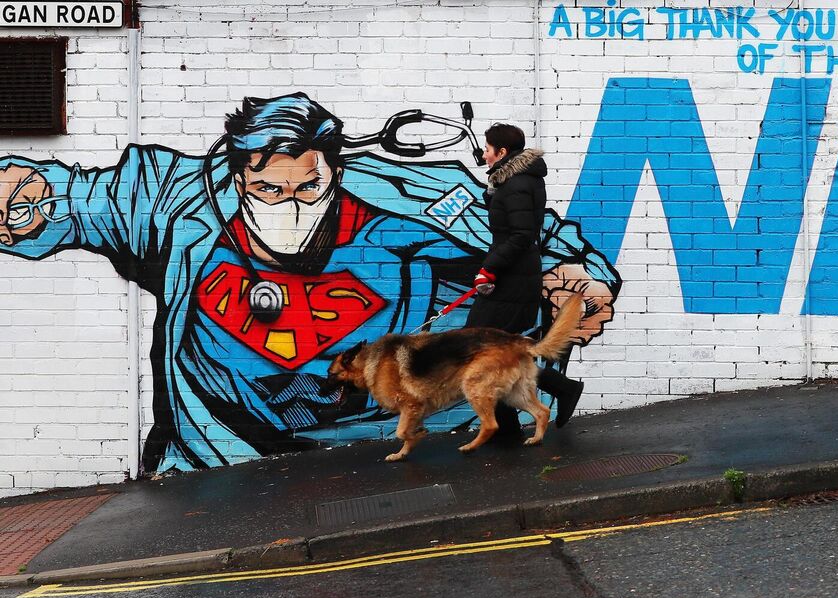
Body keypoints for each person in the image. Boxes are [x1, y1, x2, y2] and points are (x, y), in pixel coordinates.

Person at [0, 93, 619, 472]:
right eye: (268, 188)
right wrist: (26, 192)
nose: (288, 202)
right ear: (238, 176)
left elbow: (530, 234)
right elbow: (81, 194)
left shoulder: (414, 200)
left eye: (307, 187)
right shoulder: (173, 201)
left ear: (334, 172)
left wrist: (574, 280)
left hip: (395, 428)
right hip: (219, 451)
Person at [466, 123, 585, 436]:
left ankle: (560, 389)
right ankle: (507, 428)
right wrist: (493, 190)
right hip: (513, 275)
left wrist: (489, 268)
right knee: (496, 353)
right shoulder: (512, 182)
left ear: (502, 152)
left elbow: (520, 235)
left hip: (513, 279)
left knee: (485, 347)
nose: (483, 154)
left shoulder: (517, 183)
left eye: (488, 149)